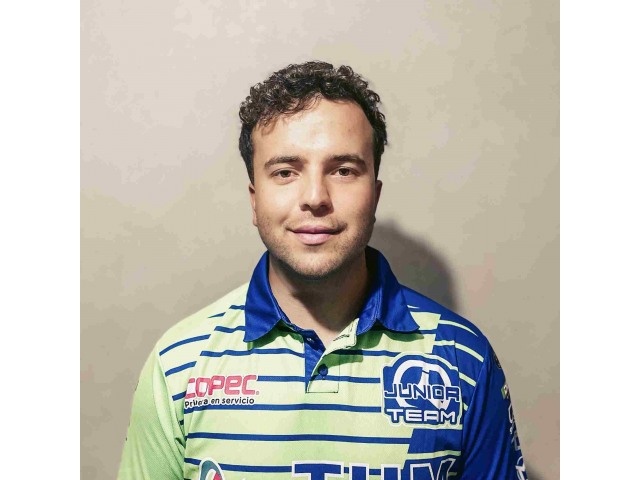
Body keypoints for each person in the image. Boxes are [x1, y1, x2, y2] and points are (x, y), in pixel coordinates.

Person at [117, 61, 527, 480]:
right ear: (254, 200)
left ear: (375, 195)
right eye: (285, 172)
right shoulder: (180, 363)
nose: (315, 197)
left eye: (344, 170)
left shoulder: (464, 358)